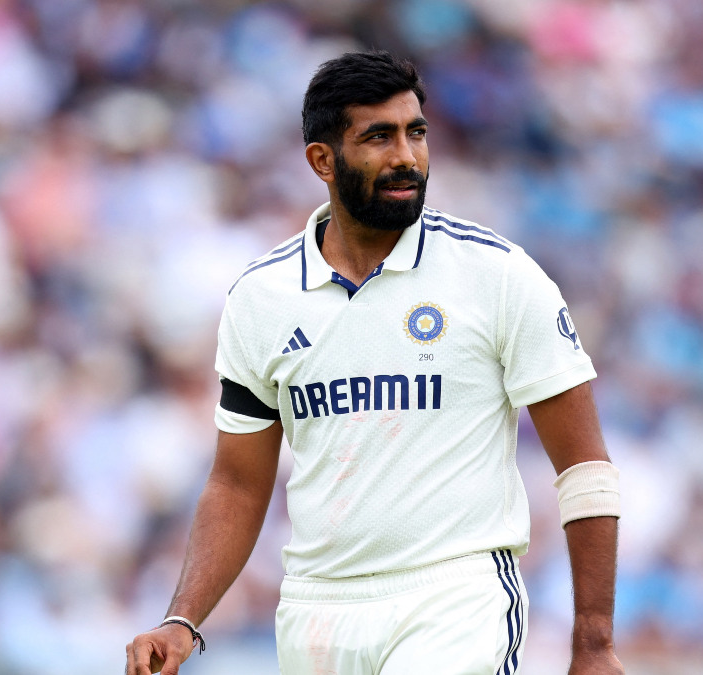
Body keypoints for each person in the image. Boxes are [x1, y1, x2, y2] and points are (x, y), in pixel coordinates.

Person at [125, 50, 623, 675]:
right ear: (322, 160)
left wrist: (595, 642)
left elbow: (585, 468)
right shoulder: (261, 298)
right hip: (316, 610)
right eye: (378, 137)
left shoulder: (496, 274)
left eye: (415, 132)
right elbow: (237, 482)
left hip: (455, 595)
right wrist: (183, 617)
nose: (407, 157)